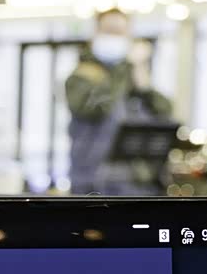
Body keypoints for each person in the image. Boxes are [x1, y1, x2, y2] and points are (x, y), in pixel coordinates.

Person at [66, 10, 175, 195]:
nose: (114, 37)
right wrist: (124, 67)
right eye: (109, 30)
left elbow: (165, 113)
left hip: (135, 184)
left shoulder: (133, 79)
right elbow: (99, 108)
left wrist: (143, 83)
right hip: (91, 183)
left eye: (120, 32)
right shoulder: (81, 77)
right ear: (96, 33)